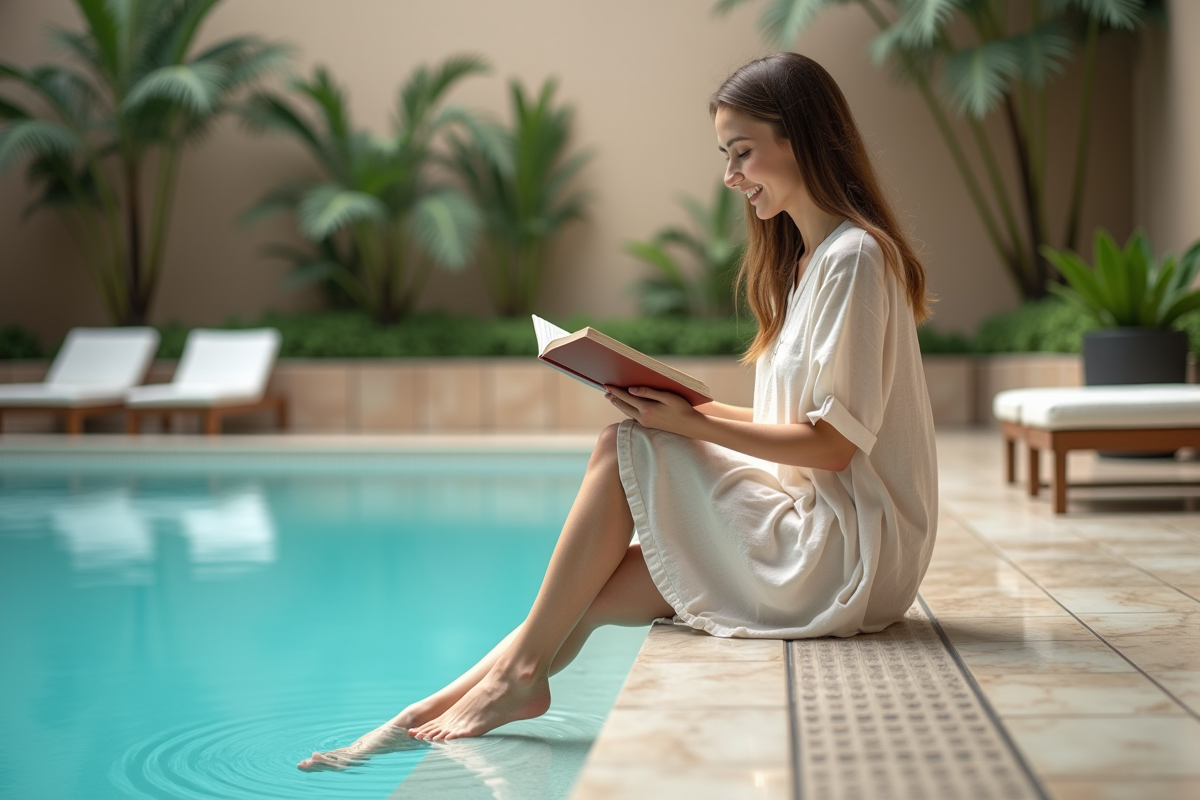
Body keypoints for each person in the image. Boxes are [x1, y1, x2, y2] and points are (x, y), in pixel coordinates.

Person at [299, 51, 937, 768]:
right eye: (726, 156)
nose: (731, 177)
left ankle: (508, 681)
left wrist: (687, 421)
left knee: (621, 445)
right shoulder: (806, 264)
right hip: (811, 525)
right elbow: (802, 431)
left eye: (742, 153)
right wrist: (676, 406)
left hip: (846, 557)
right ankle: (430, 709)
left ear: (800, 138)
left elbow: (831, 447)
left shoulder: (856, 259)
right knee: (605, 582)